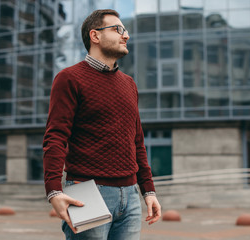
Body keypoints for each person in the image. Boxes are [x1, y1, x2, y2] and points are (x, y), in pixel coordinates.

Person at [43, 9, 161, 240]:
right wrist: (54, 191)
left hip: (130, 196)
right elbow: (56, 137)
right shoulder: (69, 78)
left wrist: (148, 190)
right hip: (87, 192)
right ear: (95, 36)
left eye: (125, 30)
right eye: (118, 29)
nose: (125, 35)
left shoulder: (129, 84)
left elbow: (137, 142)